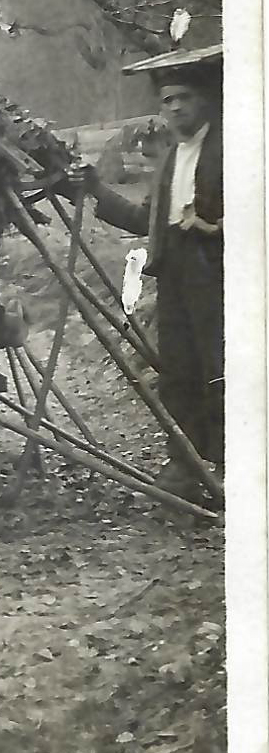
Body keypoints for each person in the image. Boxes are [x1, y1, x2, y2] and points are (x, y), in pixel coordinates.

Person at [86, 48, 223, 501]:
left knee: (220, 370)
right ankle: (186, 466)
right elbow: (144, 220)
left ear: (205, 99)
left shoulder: (232, 148)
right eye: (168, 100)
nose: (176, 108)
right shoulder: (170, 158)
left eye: (185, 98)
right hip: (175, 272)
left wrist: (215, 228)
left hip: (222, 274)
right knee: (178, 371)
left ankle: (233, 466)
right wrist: (90, 189)